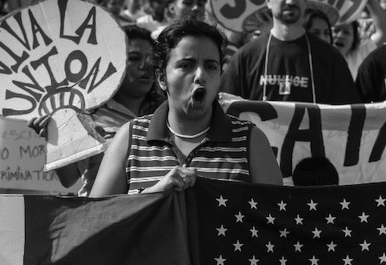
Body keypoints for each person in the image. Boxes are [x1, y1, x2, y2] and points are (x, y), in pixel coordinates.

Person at [90, 18, 282, 199]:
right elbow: (97, 219)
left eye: (211, 66)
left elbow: (276, 222)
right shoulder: (129, 138)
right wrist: (154, 195)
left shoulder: (251, 141)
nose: (200, 75)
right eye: (186, 65)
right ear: (161, 78)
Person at [28, 25, 164, 196]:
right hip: (103, 216)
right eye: (134, 58)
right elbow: (68, 179)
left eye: (152, 59)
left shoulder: (166, 112)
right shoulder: (86, 113)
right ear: (110, 64)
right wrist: (53, 135)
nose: (146, 65)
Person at [219, 0, 360, 104]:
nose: (291, 2)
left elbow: (349, 117)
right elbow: (224, 111)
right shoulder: (245, 57)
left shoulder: (331, 58)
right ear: (268, 1)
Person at [332, 0, 386, 78]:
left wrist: (371, 2)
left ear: (353, 40)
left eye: (346, 32)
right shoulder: (315, 56)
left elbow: (384, 33)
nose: (340, 36)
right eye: (335, 30)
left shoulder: (359, 55)